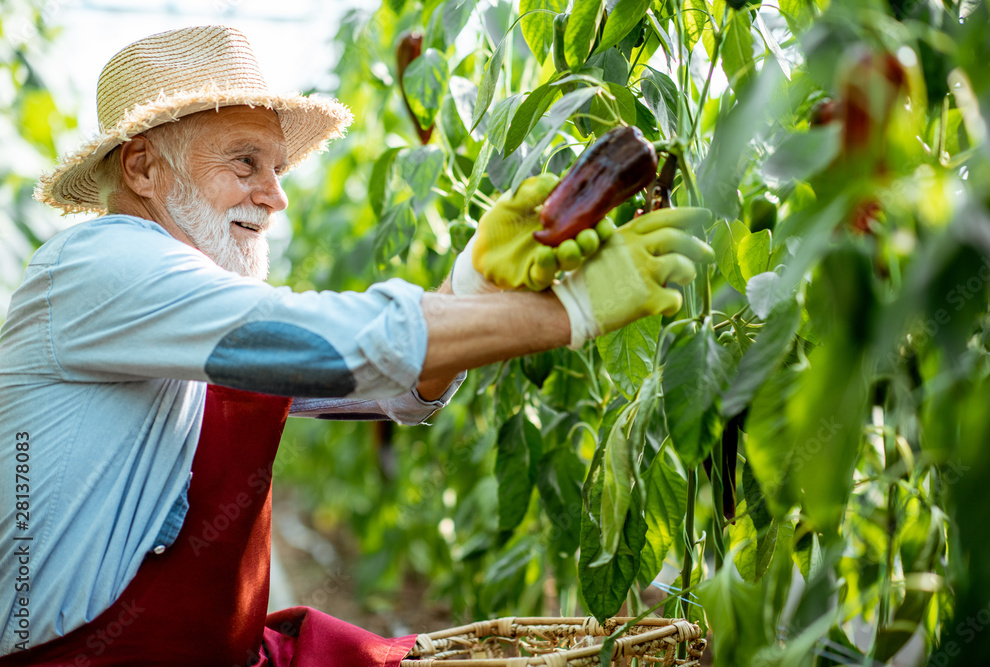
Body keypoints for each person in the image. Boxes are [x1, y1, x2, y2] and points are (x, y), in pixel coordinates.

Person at [0, 25, 713, 667]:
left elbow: (393, 389)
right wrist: (571, 311)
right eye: (246, 163)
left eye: (278, 167)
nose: (276, 196)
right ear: (144, 169)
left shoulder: (186, 317)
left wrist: (475, 278)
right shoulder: (98, 264)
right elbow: (333, 345)